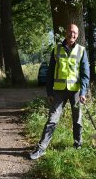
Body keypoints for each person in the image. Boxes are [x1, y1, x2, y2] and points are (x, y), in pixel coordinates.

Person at [29, 23, 90, 160]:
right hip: (59, 92)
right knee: (52, 119)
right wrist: (49, 92)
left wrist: (83, 92)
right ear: (66, 33)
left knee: (78, 120)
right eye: (70, 32)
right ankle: (41, 148)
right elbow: (50, 73)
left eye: (75, 33)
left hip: (76, 92)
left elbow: (85, 73)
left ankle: (77, 144)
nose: (72, 34)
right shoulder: (56, 50)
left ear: (77, 35)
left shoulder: (81, 50)